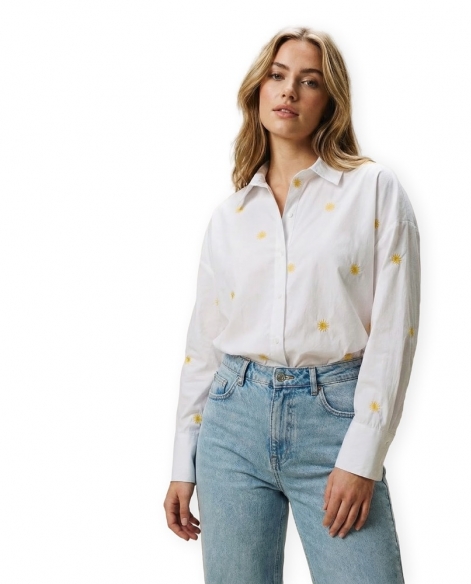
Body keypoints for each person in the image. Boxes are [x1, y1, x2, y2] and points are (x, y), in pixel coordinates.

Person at [163, 26, 421, 584]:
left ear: (330, 101)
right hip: (232, 424)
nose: (289, 91)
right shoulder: (230, 216)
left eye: (310, 81)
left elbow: (393, 334)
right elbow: (203, 346)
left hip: (334, 421)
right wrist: (184, 459)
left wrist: (363, 457)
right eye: (278, 76)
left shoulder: (373, 190)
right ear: (257, 91)